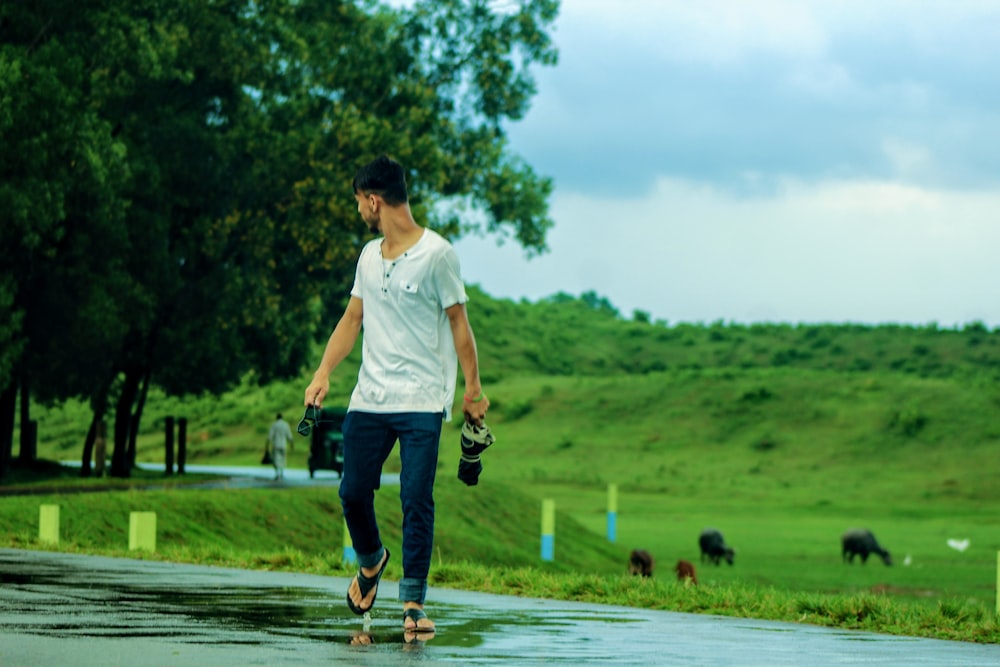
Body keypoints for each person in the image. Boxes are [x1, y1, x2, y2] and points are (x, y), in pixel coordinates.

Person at [304, 155, 489, 633]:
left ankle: (413, 604)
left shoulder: (438, 255)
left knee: (415, 496)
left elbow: (459, 324)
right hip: (371, 397)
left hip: (423, 399)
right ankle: (371, 562)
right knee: (351, 490)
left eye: (360, 204)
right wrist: (324, 371)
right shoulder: (369, 255)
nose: (361, 213)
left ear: (373, 200)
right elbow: (352, 319)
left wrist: (473, 390)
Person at [268, 413, 294, 480]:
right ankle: (282, 473)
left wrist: (267, 445)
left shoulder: (274, 425)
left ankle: (277, 474)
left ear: (276, 418)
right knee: (283, 459)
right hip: (283, 445)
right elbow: (289, 436)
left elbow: (270, 436)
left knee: (276, 459)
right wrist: (291, 444)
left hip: (276, 444)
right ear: (282, 418)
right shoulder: (286, 425)